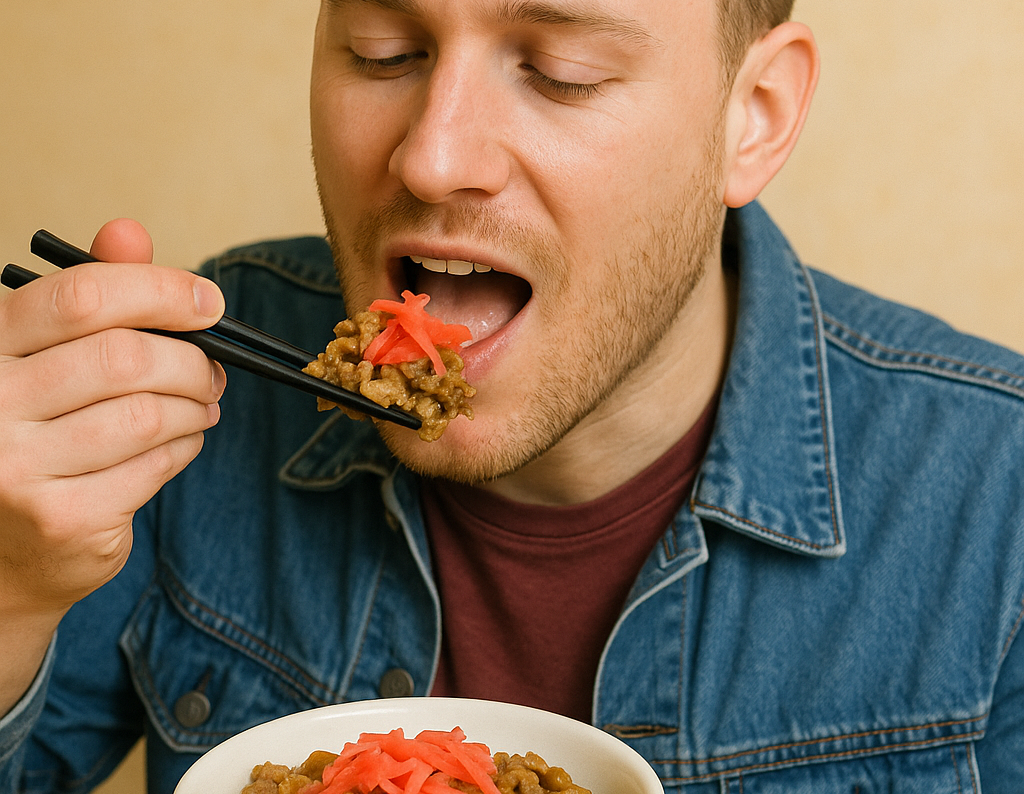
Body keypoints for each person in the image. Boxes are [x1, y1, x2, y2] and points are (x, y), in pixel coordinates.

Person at [1, 0, 1023, 790]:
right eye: (382, 49)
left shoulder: (996, 500)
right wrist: (10, 587)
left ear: (749, 119)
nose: (432, 156)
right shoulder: (189, 386)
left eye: (559, 71)